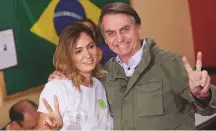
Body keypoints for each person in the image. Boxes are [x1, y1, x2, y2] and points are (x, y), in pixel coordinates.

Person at [48, 2, 216, 130]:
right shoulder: (105, 74)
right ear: (105, 39)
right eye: (111, 33)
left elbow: (210, 108)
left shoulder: (169, 62)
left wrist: (203, 94)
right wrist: (63, 78)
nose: (119, 38)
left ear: (138, 27)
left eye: (125, 29)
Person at [37, 22, 113, 130]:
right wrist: (55, 129)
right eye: (78, 51)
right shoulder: (56, 88)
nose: (88, 55)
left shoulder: (98, 85)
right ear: (68, 56)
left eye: (90, 46)